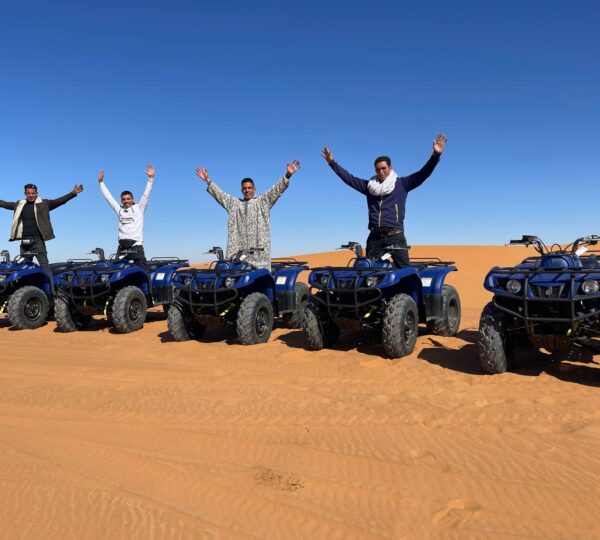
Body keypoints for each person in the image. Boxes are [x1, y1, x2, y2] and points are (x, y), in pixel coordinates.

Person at [321, 134, 447, 267]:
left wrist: (435, 155)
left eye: (383, 168)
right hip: (375, 237)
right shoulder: (369, 186)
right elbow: (348, 178)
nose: (381, 171)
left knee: (404, 272)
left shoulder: (402, 184)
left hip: (395, 235)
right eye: (378, 169)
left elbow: (423, 173)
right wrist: (332, 163)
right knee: (369, 272)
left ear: (390, 168)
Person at [195, 161, 301, 269]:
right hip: (237, 260)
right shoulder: (234, 204)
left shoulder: (263, 202)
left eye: (249, 188)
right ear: (241, 190)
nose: (247, 190)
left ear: (254, 189)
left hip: (259, 261)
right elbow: (220, 194)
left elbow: (276, 190)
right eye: (244, 188)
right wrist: (208, 181)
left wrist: (288, 175)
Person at [0, 182, 84, 272]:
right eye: (28, 193)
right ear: (25, 194)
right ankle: (28, 286)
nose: (31, 195)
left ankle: (50, 285)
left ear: (37, 193)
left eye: (33, 193)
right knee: (24, 268)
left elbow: (60, 201)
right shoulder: (19, 205)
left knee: (44, 267)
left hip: (38, 241)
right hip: (25, 242)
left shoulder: (44, 203)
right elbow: (5, 204)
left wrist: (73, 193)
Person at [98, 165, 154, 269]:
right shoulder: (119, 210)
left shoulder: (139, 208)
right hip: (122, 248)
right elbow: (109, 198)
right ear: (121, 200)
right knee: (115, 272)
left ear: (133, 199)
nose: (126, 201)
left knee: (143, 271)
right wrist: (101, 183)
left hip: (136, 247)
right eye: (124, 199)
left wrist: (150, 179)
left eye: (128, 199)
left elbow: (146, 195)